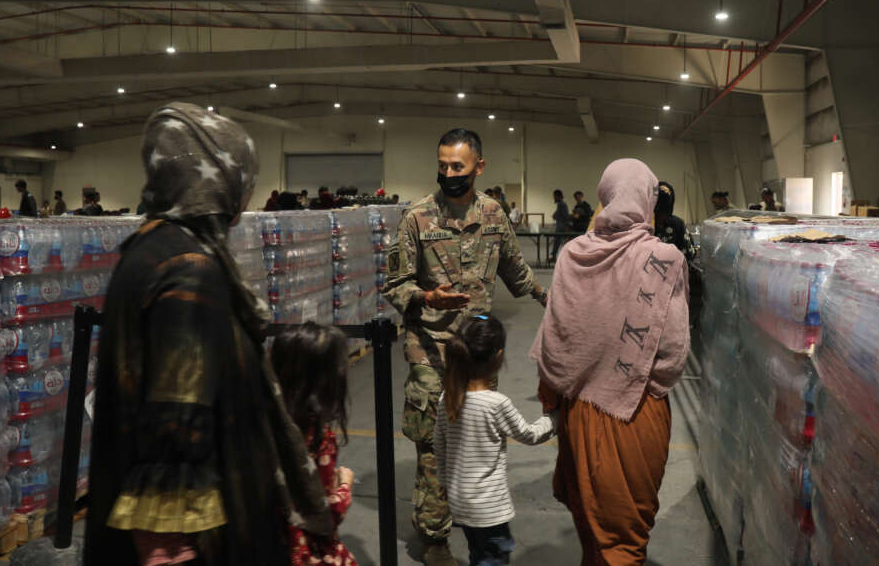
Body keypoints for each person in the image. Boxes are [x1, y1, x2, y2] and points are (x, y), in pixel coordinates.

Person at [85, 102, 333, 566]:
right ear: (220, 181)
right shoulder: (191, 271)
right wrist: (167, 540)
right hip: (205, 533)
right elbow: (175, 414)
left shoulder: (149, 247)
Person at [382, 128, 547, 566]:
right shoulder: (417, 217)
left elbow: (517, 272)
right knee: (434, 448)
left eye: (457, 166)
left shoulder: (493, 215)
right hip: (430, 348)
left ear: (478, 166)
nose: (449, 174)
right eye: (442, 166)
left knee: (479, 444)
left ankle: (477, 521)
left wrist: (555, 299)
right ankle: (435, 539)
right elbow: (395, 285)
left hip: (474, 350)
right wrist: (426, 297)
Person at [531, 158, 690, 565]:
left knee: (592, 530)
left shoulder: (572, 255)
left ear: (605, 196)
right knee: (624, 541)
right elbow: (672, 355)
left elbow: (556, 339)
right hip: (634, 411)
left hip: (578, 411)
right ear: (649, 200)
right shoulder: (665, 259)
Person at [434, 315, 556, 566]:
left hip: (459, 502)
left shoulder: (448, 397)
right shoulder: (496, 404)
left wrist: (444, 483)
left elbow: (439, 445)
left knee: (478, 553)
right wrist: (555, 419)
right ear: (498, 357)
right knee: (492, 558)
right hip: (489, 509)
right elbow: (529, 435)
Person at [270, 323, 358, 566]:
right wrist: (345, 485)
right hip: (308, 551)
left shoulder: (263, 425)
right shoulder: (316, 437)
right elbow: (324, 514)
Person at [654, 181, 688, 253]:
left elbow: (688, 253)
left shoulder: (678, 224)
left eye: (664, 211)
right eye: (656, 211)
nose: (659, 216)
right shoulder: (644, 225)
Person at [551, 189, 571, 261]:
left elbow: (564, 216)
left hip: (561, 227)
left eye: (554, 196)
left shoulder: (561, 204)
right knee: (557, 242)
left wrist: (555, 215)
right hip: (560, 226)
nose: (554, 198)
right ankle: (554, 256)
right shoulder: (561, 204)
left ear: (558, 196)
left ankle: (556, 256)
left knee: (561, 243)